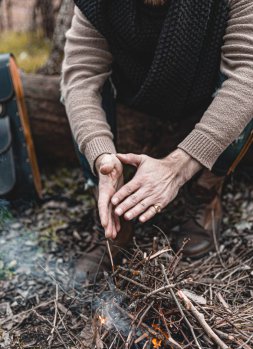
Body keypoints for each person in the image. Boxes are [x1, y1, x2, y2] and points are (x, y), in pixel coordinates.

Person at [61, 0, 253, 278]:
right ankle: (113, 215)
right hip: (134, 95)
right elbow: (81, 76)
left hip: (208, 94)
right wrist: (101, 155)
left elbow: (247, 74)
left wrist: (176, 169)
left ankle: (206, 192)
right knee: (76, 92)